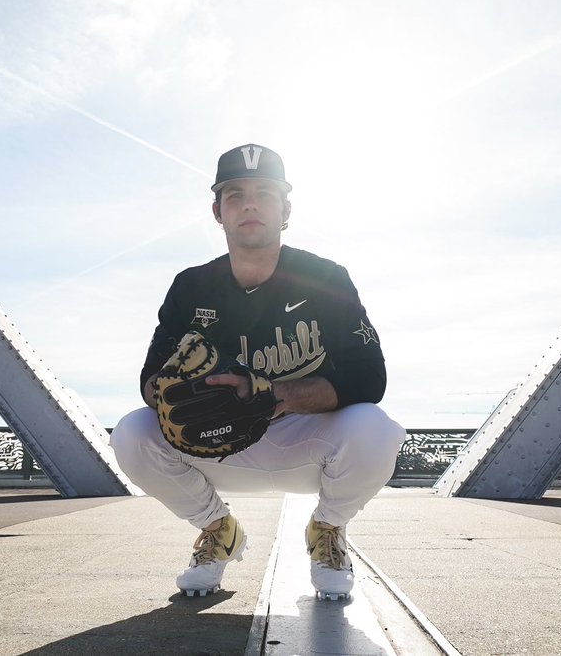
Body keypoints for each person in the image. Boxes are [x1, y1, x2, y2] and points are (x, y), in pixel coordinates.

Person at [109, 143, 406, 599]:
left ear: (285, 209)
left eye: (264, 193)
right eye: (234, 194)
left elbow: (369, 377)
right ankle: (218, 529)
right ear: (217, 212)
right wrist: (170, 391)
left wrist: (269, 392)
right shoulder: (191, 286)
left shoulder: (325, 277)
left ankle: (327, 530)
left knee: (376, 429)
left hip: (304, 440)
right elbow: (149, 379)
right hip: (219, 440)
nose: (249, 203)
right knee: (131, 433)